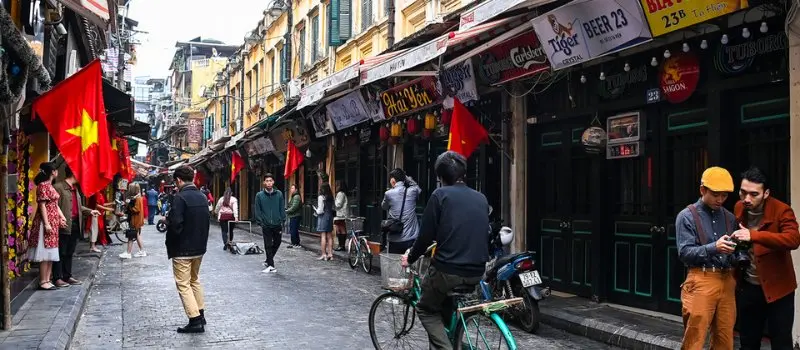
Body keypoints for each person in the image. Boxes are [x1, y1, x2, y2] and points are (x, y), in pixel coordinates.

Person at [401, 151, 490, 349]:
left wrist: (410, 257)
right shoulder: (481, 198)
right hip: (477, 271)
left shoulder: (440, 195)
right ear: (463, 174)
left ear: (440, 177)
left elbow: (425, 237)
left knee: (425, 308)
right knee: (443, 304)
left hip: (448, 270)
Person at [732, 167, 800, 350]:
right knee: (748, 341)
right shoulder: (739, 207)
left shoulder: (782, 210)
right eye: (743, 192)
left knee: (781, 342)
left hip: (779, 289)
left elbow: (793, 239)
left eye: (754, 194)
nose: (747, 199)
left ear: (766, 193)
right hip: (748, 285)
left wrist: (754, 235)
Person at [676, 166, 738, 350]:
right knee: (694, 339)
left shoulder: (729, 218)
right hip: (700, 278)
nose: (720, 200)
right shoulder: (687, 216)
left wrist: (738, 251)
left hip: (727, 278)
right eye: (715, 194)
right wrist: (714, 247)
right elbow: (684, 253)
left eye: (724, 195)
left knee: (725, 339)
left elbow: (736, 253)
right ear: (703, 190)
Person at [166, 165, 211, 333]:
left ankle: (195, 320)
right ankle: (200, 313)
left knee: (183, 284)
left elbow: (176, 224)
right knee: (194, 280)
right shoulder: (202, 196)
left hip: (183, 249)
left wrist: (171, 236)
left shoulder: (180, 198)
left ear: (178, 180)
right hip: (199, 247)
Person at [53, 166, 99, 288]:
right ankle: (57, 277)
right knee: (61, 252)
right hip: (63, 224)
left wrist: (90, 211)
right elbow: (52, 206)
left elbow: (78, 207)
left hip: (75, 224)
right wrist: (59, 219)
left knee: (70, 251)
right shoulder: (58, 187)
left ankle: (67, 276)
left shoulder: (75, 189)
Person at [28, 162, 66, 291]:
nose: (57, 172)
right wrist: (46, 223)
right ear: (53, 172)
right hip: (46, 222)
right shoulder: (43, 186)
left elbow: (55, 205)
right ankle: (43, 280)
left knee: (51, 251)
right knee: (45, 251)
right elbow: (42, 205)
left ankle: (48, 279)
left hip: (53, 222)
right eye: (56, 170)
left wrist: (61, 217)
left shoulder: (50, 186)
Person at [381, 168, 420, 253]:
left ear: (393, 180)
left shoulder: (388, 194)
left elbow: (384, 207)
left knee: (394, 260)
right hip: (411, 237)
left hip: (394, 238)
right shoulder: (413, 191)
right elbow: (417, 187)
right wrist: (406, 177)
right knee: (410, 260)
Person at [254, 173, 285, 273]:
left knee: (277, 242)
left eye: (270, 181)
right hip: (266, 224)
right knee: (267, 244)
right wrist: (260, 222)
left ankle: (268, 260)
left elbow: (281, 207)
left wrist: (282, 219)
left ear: (273, 182)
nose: (269, 183)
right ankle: (271, 265)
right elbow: (257, 210)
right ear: (264, 182)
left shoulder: (279, 194)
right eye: (267, 181)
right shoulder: (259, 195)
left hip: (277, 223)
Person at [119, 183, 147, 259]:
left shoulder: (137, 198)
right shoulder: (137, 197)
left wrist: (129, 205)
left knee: (131, 235)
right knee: (136, 235)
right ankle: (141, 251)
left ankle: (128, 253)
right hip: (136, 220)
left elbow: (136, 209)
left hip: (135, 220)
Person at [314, 182, 335, 260]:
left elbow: (320, 210)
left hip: (323, 217)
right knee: (329, 236)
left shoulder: (321, 197)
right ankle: (330, 254)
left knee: (323, 236)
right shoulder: (330, 197)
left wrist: (315, 210)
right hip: (330, 216)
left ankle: (324, 254)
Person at [333, 180, 349, 251]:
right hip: (340, 214)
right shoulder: (342, 193)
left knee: (340, 229)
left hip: (340, 214)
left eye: (337, 185)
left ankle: (341, 245)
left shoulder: (340, 194)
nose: (335, 187)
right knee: (340, 229)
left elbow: (338, 204)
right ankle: (341, 245)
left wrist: (333, 202)